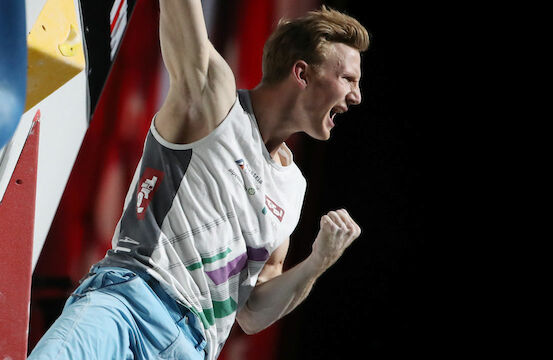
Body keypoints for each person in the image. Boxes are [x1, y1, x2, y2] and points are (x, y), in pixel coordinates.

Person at [28, 2, 369, 359]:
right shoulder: (214, 101)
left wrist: (318, 261)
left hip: (192, 350)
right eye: (348, 79)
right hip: (126, 306)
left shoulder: (293, 189)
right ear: (302, 74)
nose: (356, 96)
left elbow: (252, 314)